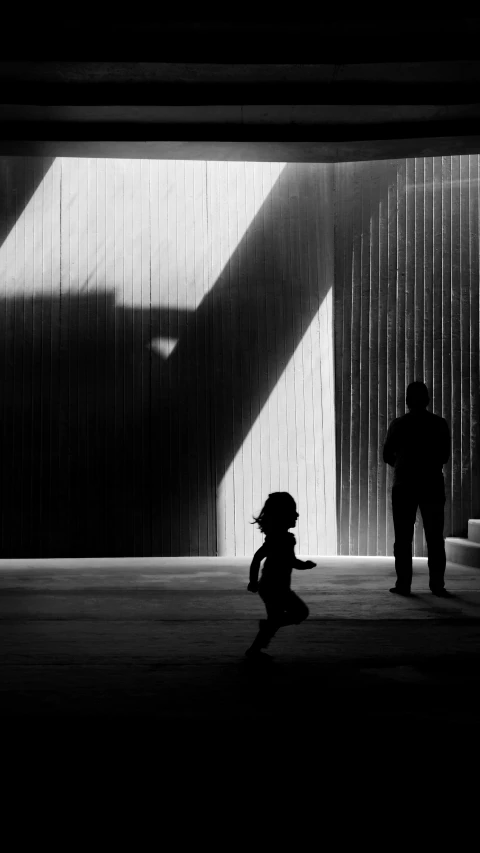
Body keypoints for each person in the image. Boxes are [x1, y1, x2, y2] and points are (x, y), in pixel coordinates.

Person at [383, 381, 451, 597]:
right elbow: (444, 456)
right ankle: (437, 585)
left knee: (403, 538)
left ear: (407, 401)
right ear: (428, 399)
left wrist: (402, 465)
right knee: (434, 537)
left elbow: (387, 455)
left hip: (403, 485)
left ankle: (403, 584)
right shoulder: (439, 424)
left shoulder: (398, 424)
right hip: (431, 483)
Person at [245, 492, 316, 659]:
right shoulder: (278, 539)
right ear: (282, 516)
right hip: (273, 588)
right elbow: (257, 558)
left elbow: (288, 560)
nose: (297, 515)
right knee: (300, 613)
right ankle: (264, 634)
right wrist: (253, 581)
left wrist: (303, 565)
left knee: (277, 618)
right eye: (293, 511)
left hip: (276, 587)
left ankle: (255, 649)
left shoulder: (283, 538)